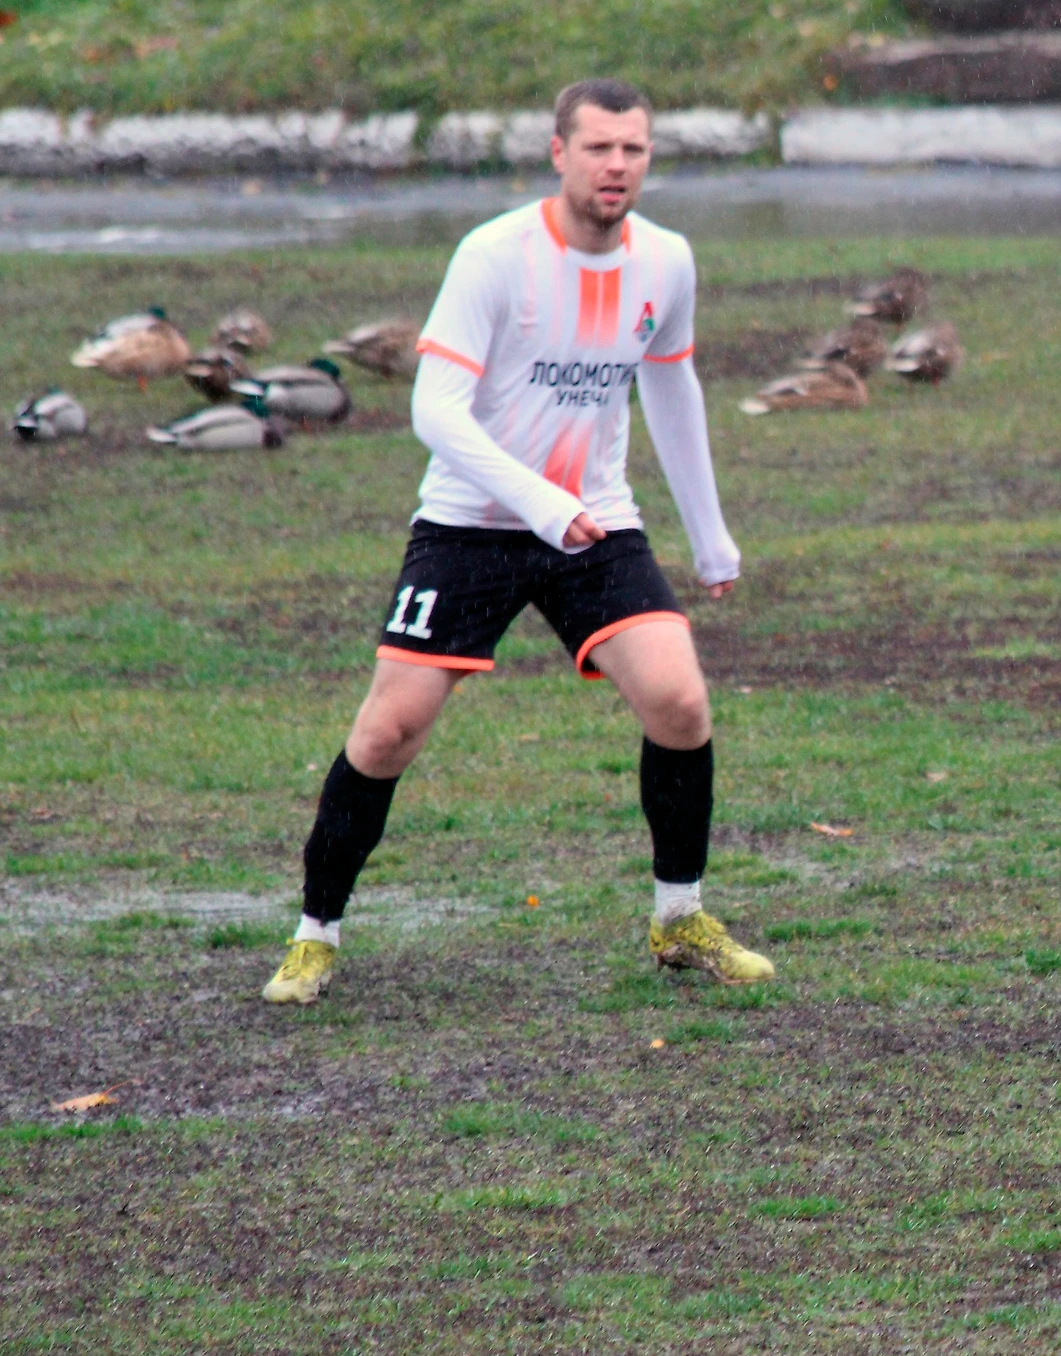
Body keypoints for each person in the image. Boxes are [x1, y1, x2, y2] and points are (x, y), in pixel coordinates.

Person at [262, 78, 772, 1004]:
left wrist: (711, 535)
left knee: (680, 701)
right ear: (559, 154)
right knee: (388, 731)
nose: (617, 166)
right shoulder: (495, 255)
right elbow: (434, 409)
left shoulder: (667, 261)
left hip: (596, 521)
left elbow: (670, 385)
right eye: (599, 149)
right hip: (472, 521)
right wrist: (539, 502)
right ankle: (314, 934)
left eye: (635, 149)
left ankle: (679, 917)